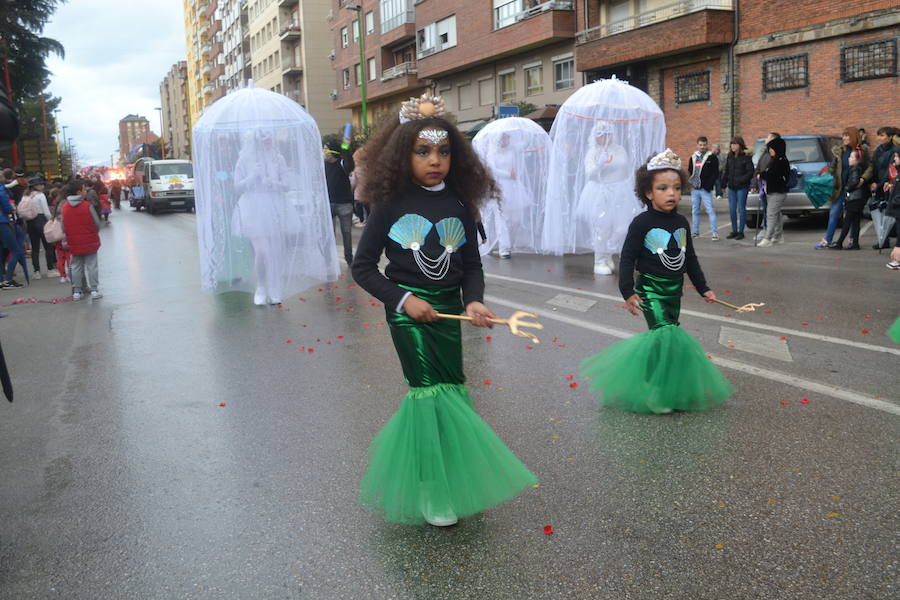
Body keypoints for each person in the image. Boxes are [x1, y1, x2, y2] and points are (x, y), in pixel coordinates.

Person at [351, 94, 537, 526]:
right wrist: (403, 300)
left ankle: (447, 472)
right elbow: (362, 268)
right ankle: (432, 487)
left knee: (452, 388)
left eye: (444, 151)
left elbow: (471, 265)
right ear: (403, 154)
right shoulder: (389, 204)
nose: (435, 159)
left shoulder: (458, 204)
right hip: (407, 313)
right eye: (423, 151)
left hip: (450, 310)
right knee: (427, 393)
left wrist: (474, 300)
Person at [579, 149, 733, 413]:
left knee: (667, 339)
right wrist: (628, 291)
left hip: (674, 291)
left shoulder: (682, 222)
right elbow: (627, 259)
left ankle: (667, 388)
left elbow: (690, 259)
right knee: (664, 334)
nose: (671, 193)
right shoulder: (641, 223)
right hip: (650, 288)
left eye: (675, 187)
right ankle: (654, 391)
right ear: (648, 193)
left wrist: (704, 288)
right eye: (662, 188)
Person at [818, 127, 873, 248]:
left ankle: (853, 241)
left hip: (855, 190)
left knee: (853, 217)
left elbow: (870, 167)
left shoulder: (861, 151)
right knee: (834, 213)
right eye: (843, 135)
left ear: (853, 137)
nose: (844, 138)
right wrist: (823, 176)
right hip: (841, 189)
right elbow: (832, 168)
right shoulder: (840, 151)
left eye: (847, 136)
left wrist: (863, 179)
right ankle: (827, 240)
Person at [59, 180, 102, 300]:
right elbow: (97, 223)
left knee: (76, 266)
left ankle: (77, 291)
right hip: (90, 240)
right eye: (83, 189)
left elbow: (63, 226)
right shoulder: (87, 206)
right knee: (92, 265)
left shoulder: (65, 207)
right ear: (79, 192)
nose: (85, 191)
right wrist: (93, 233)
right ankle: (94, 290)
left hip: (73, 241)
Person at [830, 148, 869, 250]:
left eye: (851, 157)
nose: (849, 159)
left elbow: (854, 182)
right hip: (858, 198)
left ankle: (839, 243)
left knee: (847, 221)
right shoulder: (858, 168)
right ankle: (855, 243)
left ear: (857, 160)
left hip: (854, 199)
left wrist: (847, 188)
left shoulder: (855, 169)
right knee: (855, 222)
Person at [324, 139, 354, 266]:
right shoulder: (323, 166)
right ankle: (329, 261)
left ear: (332, 152)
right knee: (329, 234)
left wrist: (345, 147)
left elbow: (350, 165)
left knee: (346, 233)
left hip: (344, 205)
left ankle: (349, 259)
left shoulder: (342, 164)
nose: (323, 152)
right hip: (328, 204)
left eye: (325, 149)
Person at [757, 137, 791, 247]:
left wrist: (762, 175)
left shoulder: (781, 161)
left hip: (778, 192)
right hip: (772, 191)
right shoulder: (775, 160)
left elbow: (774, 175)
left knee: (771, 214)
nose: (770, 150)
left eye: (771, 148)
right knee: (776, 215)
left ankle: (768, 237)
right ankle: (778, 236)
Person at [869, 127, 900, 249]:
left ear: (890, 137)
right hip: (879, 184)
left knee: (892, 213)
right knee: (881, 213)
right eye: (878, 135)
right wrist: (872, 182)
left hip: (888, 184)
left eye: (882, 135)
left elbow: (892, 170)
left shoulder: (894, 151)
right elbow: (874, 166)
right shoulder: (878, 150)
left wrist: (883, 182)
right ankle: (884, 239)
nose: (879, 138)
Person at [22, 177, 57, 279]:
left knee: (35, 248)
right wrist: (51, 221)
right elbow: (46, 211)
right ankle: (50, 269)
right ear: (36, 186)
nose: (42, 186)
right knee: (48, 246)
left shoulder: (26, 196)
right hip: (41, 220)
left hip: (30, 222)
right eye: (41, 184)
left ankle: (36, 272)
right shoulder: (40, 195)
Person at [721, 136, 754, 240]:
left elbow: (750, 172)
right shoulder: (730, 157)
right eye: (732, 144)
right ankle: (734, 231)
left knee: (741, 209)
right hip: (731, 187)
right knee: (731, 210)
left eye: (735, 144)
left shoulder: (746, 157)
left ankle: (741, 231)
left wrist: (741, 180)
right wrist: (723, 184)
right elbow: (726, 171)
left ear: (740, 145)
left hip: (742, 187)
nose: (733, 146)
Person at [688, 136, 720, 241]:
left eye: (704, 145)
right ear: (697, 145)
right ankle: (695, 232)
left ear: (707, 145)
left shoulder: (712, 157)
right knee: (695, 211)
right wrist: (690, 185)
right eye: (700, 145)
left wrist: (707, 186)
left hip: (705, 190)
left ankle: (715, 232)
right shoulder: (693, 157)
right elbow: (690, 171)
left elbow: (715, 174)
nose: (702, 147)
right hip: (695, 189)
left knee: (710, 210)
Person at [0, 170, 25, 289]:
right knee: (16, 250)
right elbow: (6, 206)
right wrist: (11, 209)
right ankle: (8, 279)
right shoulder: (2, 190)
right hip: (3, 222)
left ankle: (1, 280)